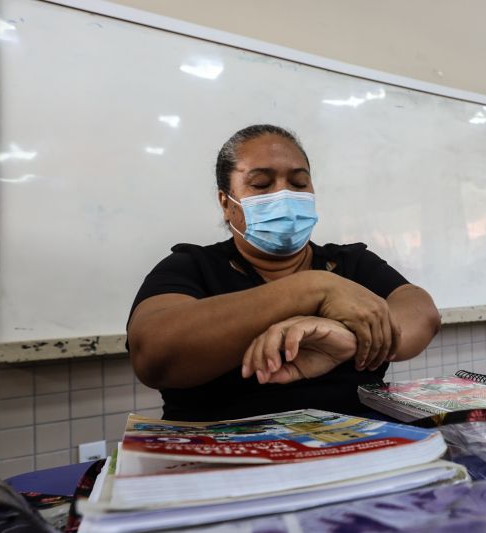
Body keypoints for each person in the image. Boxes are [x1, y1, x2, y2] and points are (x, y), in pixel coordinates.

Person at [127, 125, 441, 421]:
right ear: (226, 202)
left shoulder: (349, 262)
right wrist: (312, 289)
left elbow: (421, 313)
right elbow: (152, 353)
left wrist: (341, 337)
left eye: (299, 183)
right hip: (222, 462)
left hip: (352, 450)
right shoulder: (193, 265)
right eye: (262, 184)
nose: (285, 194)